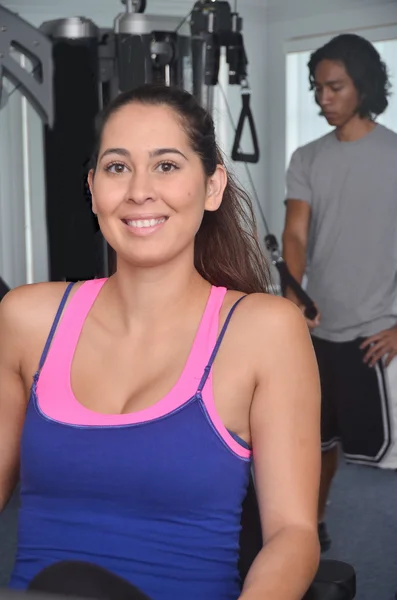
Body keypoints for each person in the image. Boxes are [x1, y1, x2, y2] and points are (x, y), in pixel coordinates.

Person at [0, 84, 321, 600]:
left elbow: (294, 534)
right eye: (117, 167)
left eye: (167, 166)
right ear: (92, 188)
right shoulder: (26, 318)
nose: (139, 191)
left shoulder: (265, 330)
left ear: (213, 186)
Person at [282, 33, 397, 552]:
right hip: (318, 327)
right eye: (318, 88)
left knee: (382, 460)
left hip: (378, 333)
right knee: (317, 443)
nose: (323, 98)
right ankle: (313, 525)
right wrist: (291, 294)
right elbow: (297, 234)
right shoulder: (307, 158)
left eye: (335, 87)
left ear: (363, 86)